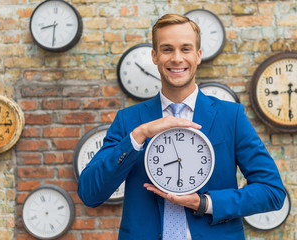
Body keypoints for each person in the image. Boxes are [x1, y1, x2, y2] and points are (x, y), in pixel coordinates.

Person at [78, 14, 285, 240]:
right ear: (155, 56)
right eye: (167, 49)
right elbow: (90, 193)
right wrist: (139, 135)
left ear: (198, 56)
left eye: (185, 49)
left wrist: (204, 202)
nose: (177, 58)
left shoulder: (230, 116)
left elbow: (272, 191)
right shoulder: (129, 120)